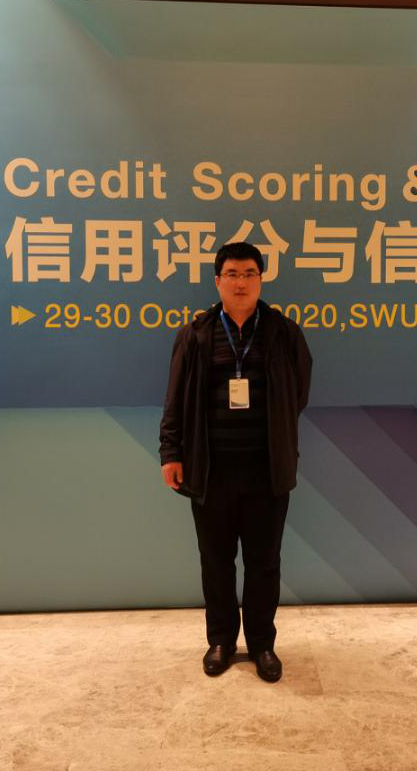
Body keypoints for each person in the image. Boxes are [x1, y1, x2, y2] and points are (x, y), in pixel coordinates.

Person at [159, 241, 312, 682]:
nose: (241, 282)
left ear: (260, 279)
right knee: (216, 561)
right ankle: (221, 641)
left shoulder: (283, 333)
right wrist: (171, 452)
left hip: (266, 471)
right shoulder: (196, 335)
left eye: (249, 274)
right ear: (217, 281)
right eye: (232, 274)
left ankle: (262, 644)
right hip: (212, 472)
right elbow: (175, 400)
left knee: (265, 562)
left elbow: (298, 394)